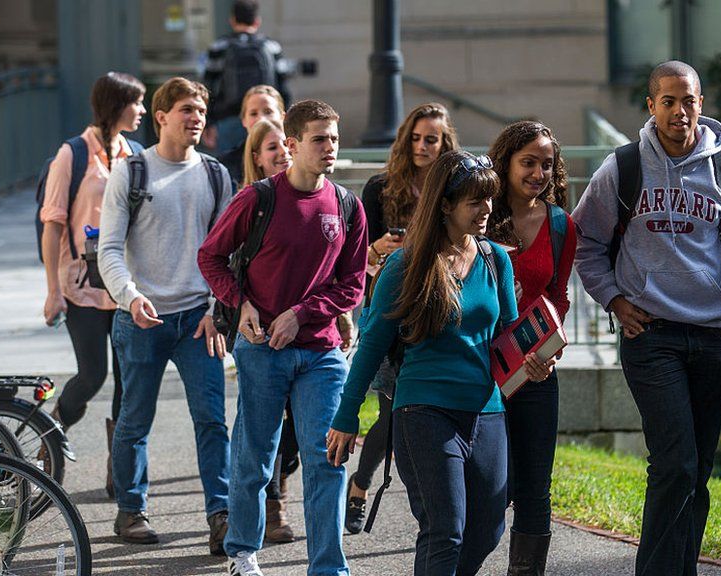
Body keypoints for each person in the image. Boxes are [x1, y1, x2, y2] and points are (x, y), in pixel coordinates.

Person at [571, 60, 721, 576]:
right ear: (651, 106)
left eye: (689, 101)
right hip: (651, 336)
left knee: (697, 471)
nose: (680, 111)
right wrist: (614, 299)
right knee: (674, 463)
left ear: (701, 104)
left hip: (712, 337)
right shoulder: (623, 168)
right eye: (669, 101)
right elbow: (585, 242)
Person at [327, 150, 553, 575]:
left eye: (490, 199)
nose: (487, 210)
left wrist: (533, 360)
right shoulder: (404, 265)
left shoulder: (494, 259)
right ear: (445, 205)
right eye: (475, 201)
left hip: (486, 410)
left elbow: (506, 338)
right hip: (424, 408)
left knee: (486, 529)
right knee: (445, 528)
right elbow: (372, 345)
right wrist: (346, 415)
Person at [199, 99, 368, 576]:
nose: (330, 147)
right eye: (319, 139)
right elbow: (210, 257)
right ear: (292, 146)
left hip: (322, 352)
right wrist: (241, 303)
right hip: (261, 350)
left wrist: (302, 313)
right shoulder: (258, 199)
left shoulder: (347, 206)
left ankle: (328, 568)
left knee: (327, 459)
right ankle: (242, 552)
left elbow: (353, 284)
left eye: (334, 137)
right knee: (255, 454)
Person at [98, 77, 232, 553]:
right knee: (135, 419)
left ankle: (221, 514)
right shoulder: (132, 172)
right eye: (186, 109)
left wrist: (218, 309)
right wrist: (130, 296)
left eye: (201, 110)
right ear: (161, 116)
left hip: (198, 320)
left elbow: (226, 255)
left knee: (212, 420)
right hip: (140, 319)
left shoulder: (216, 174)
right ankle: (130, 512)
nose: (196, 117)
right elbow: (109, 249)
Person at [343, 102, 460, 535]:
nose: (423, 146)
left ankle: (437, 510)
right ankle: (360, 485)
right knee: (391, 412)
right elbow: (357, 253)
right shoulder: (380, 189)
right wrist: (380, 250)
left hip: (440, 310)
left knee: (421, 411)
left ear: (445, 143)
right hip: (389, 308)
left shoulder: (453, 188)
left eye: (432, 139)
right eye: (416, 137)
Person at [40, 71, 146, 499]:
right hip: (81, 285)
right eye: (135, 103)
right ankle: (50, 427)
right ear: (116, 105)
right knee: (92, 374)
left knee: (128, 382)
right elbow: (52, 224)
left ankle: (118, 473)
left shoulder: (135, 153)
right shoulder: (73, 153)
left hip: (122, 286)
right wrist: (52, 290)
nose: (141, 111)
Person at [486, 120, 576, 575]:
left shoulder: (561, 224)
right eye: (528, 162)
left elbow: (559, 294)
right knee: (492, 485)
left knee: (536, 486)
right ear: (505, 163)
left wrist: (549, 351)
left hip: (536, 371)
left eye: (546, 164)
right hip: (482, 371)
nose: (539, 172)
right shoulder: (478, 214)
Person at [202, 0, 292, 154]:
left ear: (232, 20)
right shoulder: (271, 47)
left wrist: (209, 122)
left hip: (228, 120)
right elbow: (283, 87)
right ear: (257, 21)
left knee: (229, 171)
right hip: (266, 119)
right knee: (266, 166)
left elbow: (209, 86)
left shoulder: (219, 46)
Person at [221, 85, 287, 186]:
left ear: (283, 117)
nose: (261, 119)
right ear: (243, 120)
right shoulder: (225, 167)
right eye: (253, 114)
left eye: (268, 112)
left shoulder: (299, 155)